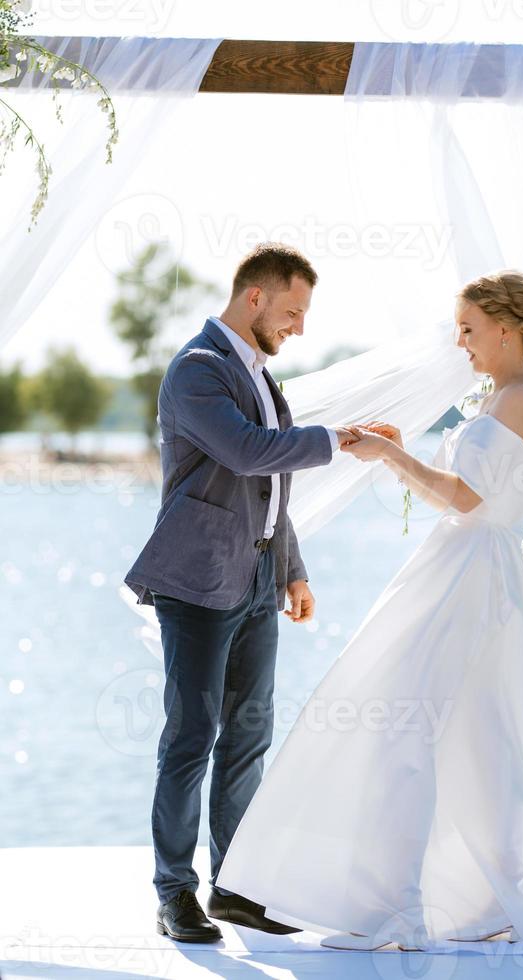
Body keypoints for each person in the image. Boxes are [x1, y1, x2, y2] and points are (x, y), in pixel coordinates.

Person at [215, 270, 523, 950]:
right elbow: (453, 501)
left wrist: (388, 454)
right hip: (453, 567)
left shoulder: (520, 399)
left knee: (414, 724)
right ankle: (422, 894)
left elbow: (468, 499)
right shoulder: (498, 397)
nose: (459, 342)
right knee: (426, 723)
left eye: (466, 328)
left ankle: (404, 904)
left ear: (504, 327)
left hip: (473, 577)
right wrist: (393, 455)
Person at [124, 243, 359, 943]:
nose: (299, 327)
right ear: (253, 298)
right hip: (196, 582)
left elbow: (268, 490)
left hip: (257, 579)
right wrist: (340, 439)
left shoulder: (258, 374)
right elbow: (250, 452)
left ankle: (235, 885)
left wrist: (291, 568)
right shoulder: (196, 371)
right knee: (190, 736)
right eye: (292, 311)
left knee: (249, 734)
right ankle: (174, 895)